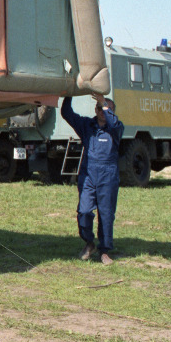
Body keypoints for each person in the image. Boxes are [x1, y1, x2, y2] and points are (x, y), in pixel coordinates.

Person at [60, 94, 123, 265]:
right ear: (95, 110)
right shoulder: (86, 125)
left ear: (112, 112)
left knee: (106, 214)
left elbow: (114, 123)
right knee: (84, 211)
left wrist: (104, 103)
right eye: (99, 108)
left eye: (106, 109)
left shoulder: (116, 128)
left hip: (108, 175)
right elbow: (66, 113)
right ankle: (89, 243)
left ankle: (104, 251)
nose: (102, 111)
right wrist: (69, 93)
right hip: (88, 173)